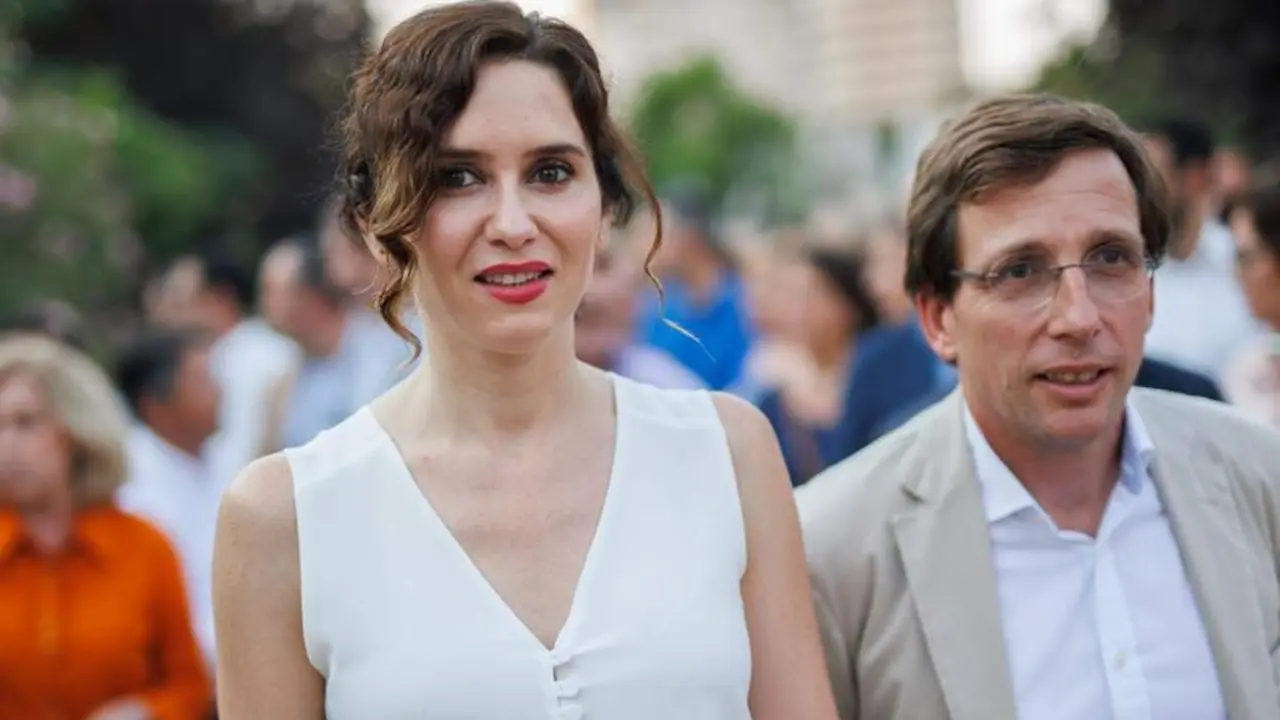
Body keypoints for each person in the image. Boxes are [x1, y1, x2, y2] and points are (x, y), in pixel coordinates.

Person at [212, 3, 836, 719]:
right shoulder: (282, 518)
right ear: (377, 225)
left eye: (550, 171)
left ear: (604, 207)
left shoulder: (727, 452)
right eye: (457, 177)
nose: (513, 224)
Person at [798, 93, 1280, 720]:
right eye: (1020, 271)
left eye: (1111, 259)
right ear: (938, 317)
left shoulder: (1258, 477)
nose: (1079, 316)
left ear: (1151, 291)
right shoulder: (832, 550)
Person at [0, 335, 211, 720]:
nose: (6, 443)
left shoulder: (146, 547)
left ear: (77, 431)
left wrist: (145, 712)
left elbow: (192, 686)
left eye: (25, 423)